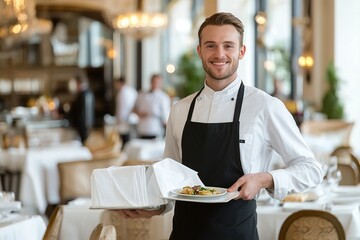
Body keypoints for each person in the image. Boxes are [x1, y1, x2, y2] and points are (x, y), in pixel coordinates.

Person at [117, 12, 323, 239]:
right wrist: (154, 206)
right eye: (211, 46)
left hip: (237, 233)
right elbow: (171, 179)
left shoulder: (265, 107)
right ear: (200, 51)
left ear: (241, 51)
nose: (219, 54)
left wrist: (264, 179)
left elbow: (311, 170)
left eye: (228, 46)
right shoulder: (180, 110)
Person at [133, 74, 171, 139]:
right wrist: (139, 113)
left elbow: (166, 117)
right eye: (154, 82)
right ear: (150, 82)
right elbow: (134, 108)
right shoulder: (142, 94)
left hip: (155, 130)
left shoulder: (163, 97)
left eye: (157, 82)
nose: (155, 84)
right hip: (142, 129)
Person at [70, 71, 95, 143]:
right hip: (87, 124)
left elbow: (81, 112)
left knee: (84, 142)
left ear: (79, 83)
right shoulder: (89, 93)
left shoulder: (83, 95)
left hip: (83, 125)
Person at [113, 76, 138, 147]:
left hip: (124, 120)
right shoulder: (131, 90)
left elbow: (121, 108)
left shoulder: (122, 93)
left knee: (124, 141)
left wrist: (118, 120)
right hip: (132, 119)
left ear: (119, 83)